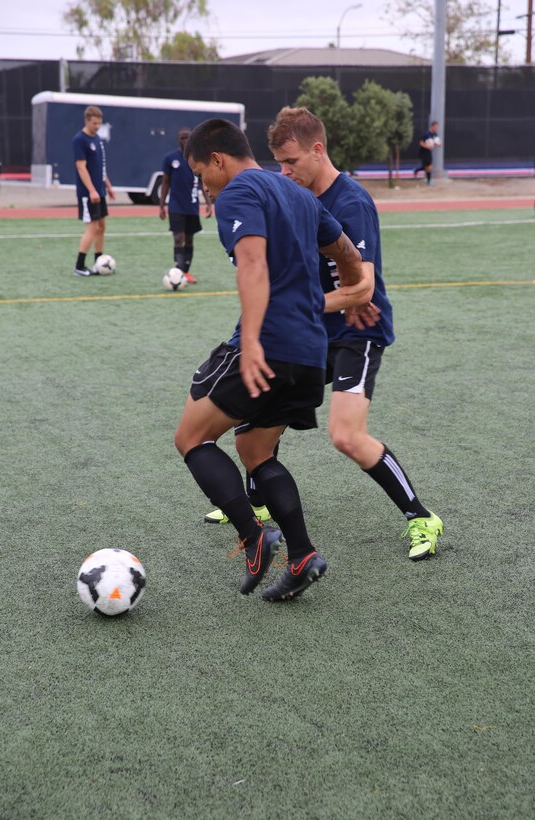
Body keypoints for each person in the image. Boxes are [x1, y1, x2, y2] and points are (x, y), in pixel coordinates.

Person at [205, 107, 443, 562]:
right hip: (314, 332)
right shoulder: (294, 198)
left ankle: (420, 517)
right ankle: (257, 505)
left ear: (318, 150)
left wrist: (298, 304)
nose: (284, 170)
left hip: (359, 333)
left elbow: (363, 288)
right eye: (278, 162)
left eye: (291, 161)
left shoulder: (349, 201)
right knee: (257, 416)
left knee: (346, 435)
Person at [174, 117, 378, 601]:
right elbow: (345, 250)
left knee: (191, 438)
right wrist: (354, 289)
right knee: (255, 451)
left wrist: (255, 340)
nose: (205, 186)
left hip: (269, 342)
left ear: (219, 160)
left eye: (203, 174)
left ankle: (254, 535)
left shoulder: (238, 193)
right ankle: (303, 555)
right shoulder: (302, 196)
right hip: (312, 353)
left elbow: (252, 264)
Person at [159, 127, 213, 284]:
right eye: (182, 138)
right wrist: (161, 205)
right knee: (178, 237)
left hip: (192, 206)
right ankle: (179, 271)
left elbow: (203, 182)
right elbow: (166, 182)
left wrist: (209, 203)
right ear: (178, 140)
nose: (185, 140)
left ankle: (186, 272)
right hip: (175, 206)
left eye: (188, 137)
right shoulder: (170, 158)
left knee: (189, 239)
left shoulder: (197, 159)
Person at [72, 105, 116, 276]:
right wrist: (91, 190)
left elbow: (101, 167)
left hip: (100, 191)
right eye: (94, 123)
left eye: (99, 123)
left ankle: (99, 261)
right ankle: (79, 266)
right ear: (86, 121)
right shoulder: (79, 140)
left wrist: (108, 186)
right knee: (92, 227)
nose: (97, 126)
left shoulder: (97, 139)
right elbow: (81, 168)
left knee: (102, 226)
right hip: (88, 193)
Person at [413, 120, 440, 186]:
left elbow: (436, 143)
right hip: (424, 152)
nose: (437, 128)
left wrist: (438, 144)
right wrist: (426, 146)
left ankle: (417, 170)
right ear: (432, 126)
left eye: (437, 127)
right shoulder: (426, 134)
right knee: (429, 167)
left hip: (429, 152)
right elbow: (421, 143)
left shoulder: (435, 135)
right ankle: (429, 182)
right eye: (436, 127)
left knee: (426, 167)